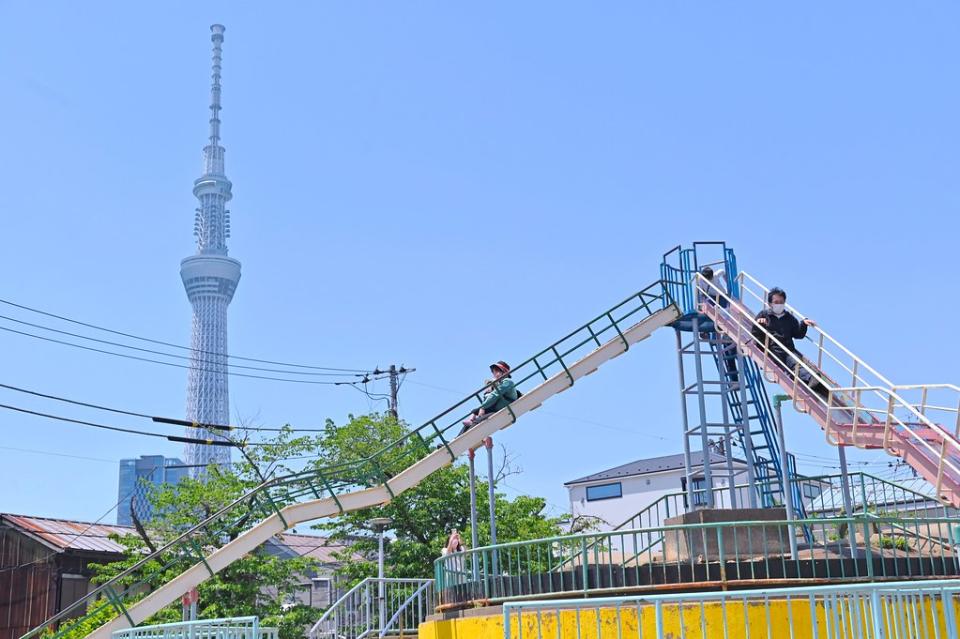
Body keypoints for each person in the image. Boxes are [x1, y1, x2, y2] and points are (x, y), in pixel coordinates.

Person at [752, 287, 828, 399]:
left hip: (788, 348)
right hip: (772, 349)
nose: (779, 305)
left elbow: (798, 334)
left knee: (795, 362)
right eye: (776, 302)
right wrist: (759, 325)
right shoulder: (764, 315)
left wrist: (803, 324)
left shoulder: (789, 318)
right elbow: (755, 335)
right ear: (770, 303)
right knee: (786, 365)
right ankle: (809, 379)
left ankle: (814, 380)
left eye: (781, 302)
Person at [460, 361, 518, 433]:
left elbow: (495, 394)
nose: (494, 374)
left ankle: (464, 438)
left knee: (478, 421)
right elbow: (491, 396)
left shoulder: (507, 382)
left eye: (497, 371)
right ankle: (455, 439)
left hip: (502, 410)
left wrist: (483, 407)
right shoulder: (499, 384)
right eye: (493, 372)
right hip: (495, 409)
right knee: (473, 418)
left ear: (504, 372)